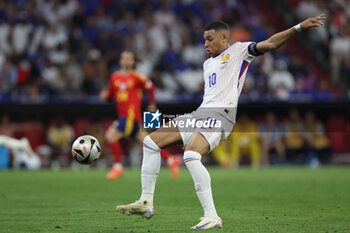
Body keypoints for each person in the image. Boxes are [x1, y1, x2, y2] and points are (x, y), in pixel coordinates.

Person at [116, 15, 326, 229]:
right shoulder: (207, 64)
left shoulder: (240, 51)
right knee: (150, 142)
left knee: (190, 155)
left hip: (219, 116)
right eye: (204, 40)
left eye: (209, 39)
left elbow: (271, 43)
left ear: (224, 38)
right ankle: (145, 201)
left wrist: (299, 27)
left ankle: (212, 216)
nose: (205, 44)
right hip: (199, 114)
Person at [100, 51, 181, 180]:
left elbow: (151, 87)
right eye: (124, 58)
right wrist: (105, 96)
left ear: (133, 62)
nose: (126, 61)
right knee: (149, 143)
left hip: (130, 117)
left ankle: (117, 167)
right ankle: (171, 160)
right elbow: (110, 96)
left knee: (110, 136)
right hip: (126, 118)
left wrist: (152, 104)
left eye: (129, 59)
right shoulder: (114, 78)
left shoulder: (137, 77)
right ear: (120, 61)